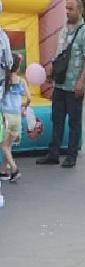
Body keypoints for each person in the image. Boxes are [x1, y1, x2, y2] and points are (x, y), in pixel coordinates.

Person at [36, 0, 85, 168]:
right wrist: (51, 75)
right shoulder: (62, 31)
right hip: (60, 84)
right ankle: (53, 153)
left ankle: (71, 155)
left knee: (74, 122)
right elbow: (59, 56)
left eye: (70, 9)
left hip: (74, 85)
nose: (67, 12)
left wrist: (81, 82)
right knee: (57, 119)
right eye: (66, 8)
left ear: (79, 10)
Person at [0, 54, 29, 182]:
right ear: (18, 68)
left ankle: (14, 168)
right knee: (9, 145)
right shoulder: (21, 81)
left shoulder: (4, 80)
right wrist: (23, 106)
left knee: (4, 146)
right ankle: (2, 171)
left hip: (6, 116)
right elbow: (29, 98)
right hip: (17, 116)